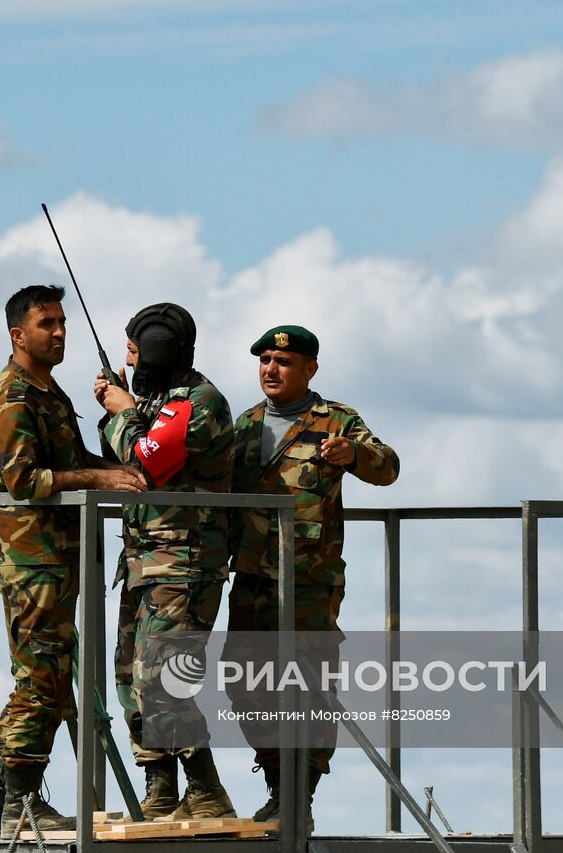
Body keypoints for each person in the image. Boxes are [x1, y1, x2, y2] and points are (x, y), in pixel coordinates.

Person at [0, 284, 147, 837]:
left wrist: (119, 462)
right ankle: (20, 801)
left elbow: (71, 461)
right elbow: (24, 480)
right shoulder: (15, 396)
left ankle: (1, 796)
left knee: (45, 670)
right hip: (31, 555)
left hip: (55, 553)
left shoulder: (49, 393)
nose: (60, 332)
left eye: (62, 322)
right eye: (48, 324)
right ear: (18, 335)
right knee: (42, 675)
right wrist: (99, 477)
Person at [224, 325, 399, 827]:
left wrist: (355, 456)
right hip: (254, 576)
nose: (270, 370)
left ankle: (302, 791)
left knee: (309, 686)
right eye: (264, 360)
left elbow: (388, 467)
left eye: (283, 361)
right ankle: (279, 781)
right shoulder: (245, 424)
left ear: (309, 369)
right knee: (244, 682)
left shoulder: (336, 420)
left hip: (309, 581)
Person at [93, 303, 237, 821]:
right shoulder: (154, 402)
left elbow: (144, 464)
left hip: (184, 561)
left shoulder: (199, 403)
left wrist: (120, 411)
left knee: (163, 678)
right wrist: (121, 411)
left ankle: (205, 788)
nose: (128, 362)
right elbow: (113, 464)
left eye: (133, 351)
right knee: (131, 676)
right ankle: (161, 786)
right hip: (143, 561)